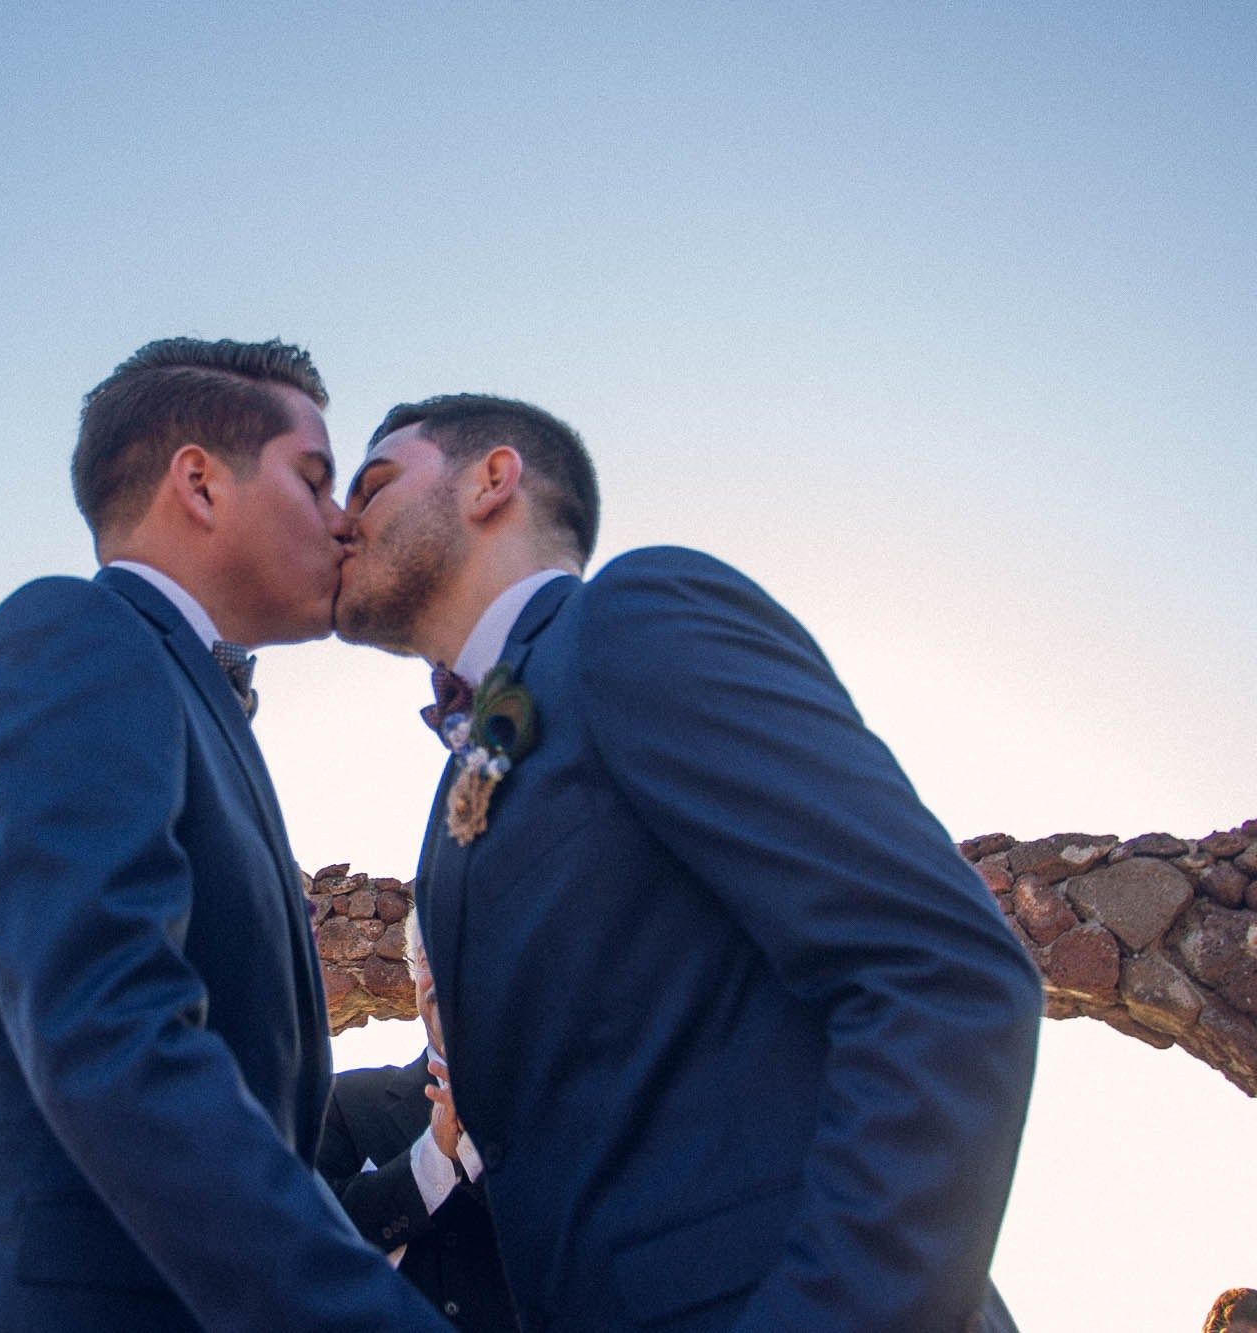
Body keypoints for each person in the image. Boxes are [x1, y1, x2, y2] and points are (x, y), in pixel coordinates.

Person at [333, 392, 1046, 1332]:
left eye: (374, 484)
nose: (342, 520)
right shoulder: (456, 794)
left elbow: (941, 969)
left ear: (492, 480)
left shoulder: (632, 616)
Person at [0, 339, 446, 1332]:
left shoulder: (180, 693)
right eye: (313, 479)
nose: (344, 519)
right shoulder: (74, 635)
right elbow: (109, 1029)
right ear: (199, 484)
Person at [318, 915, 517, 1332]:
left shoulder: (555, 1102)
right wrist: (435, 1156)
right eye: (428, 957)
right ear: (412, 973)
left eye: (460, 952)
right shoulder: (346, 1103)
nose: (443, 971)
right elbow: (312, 1239)